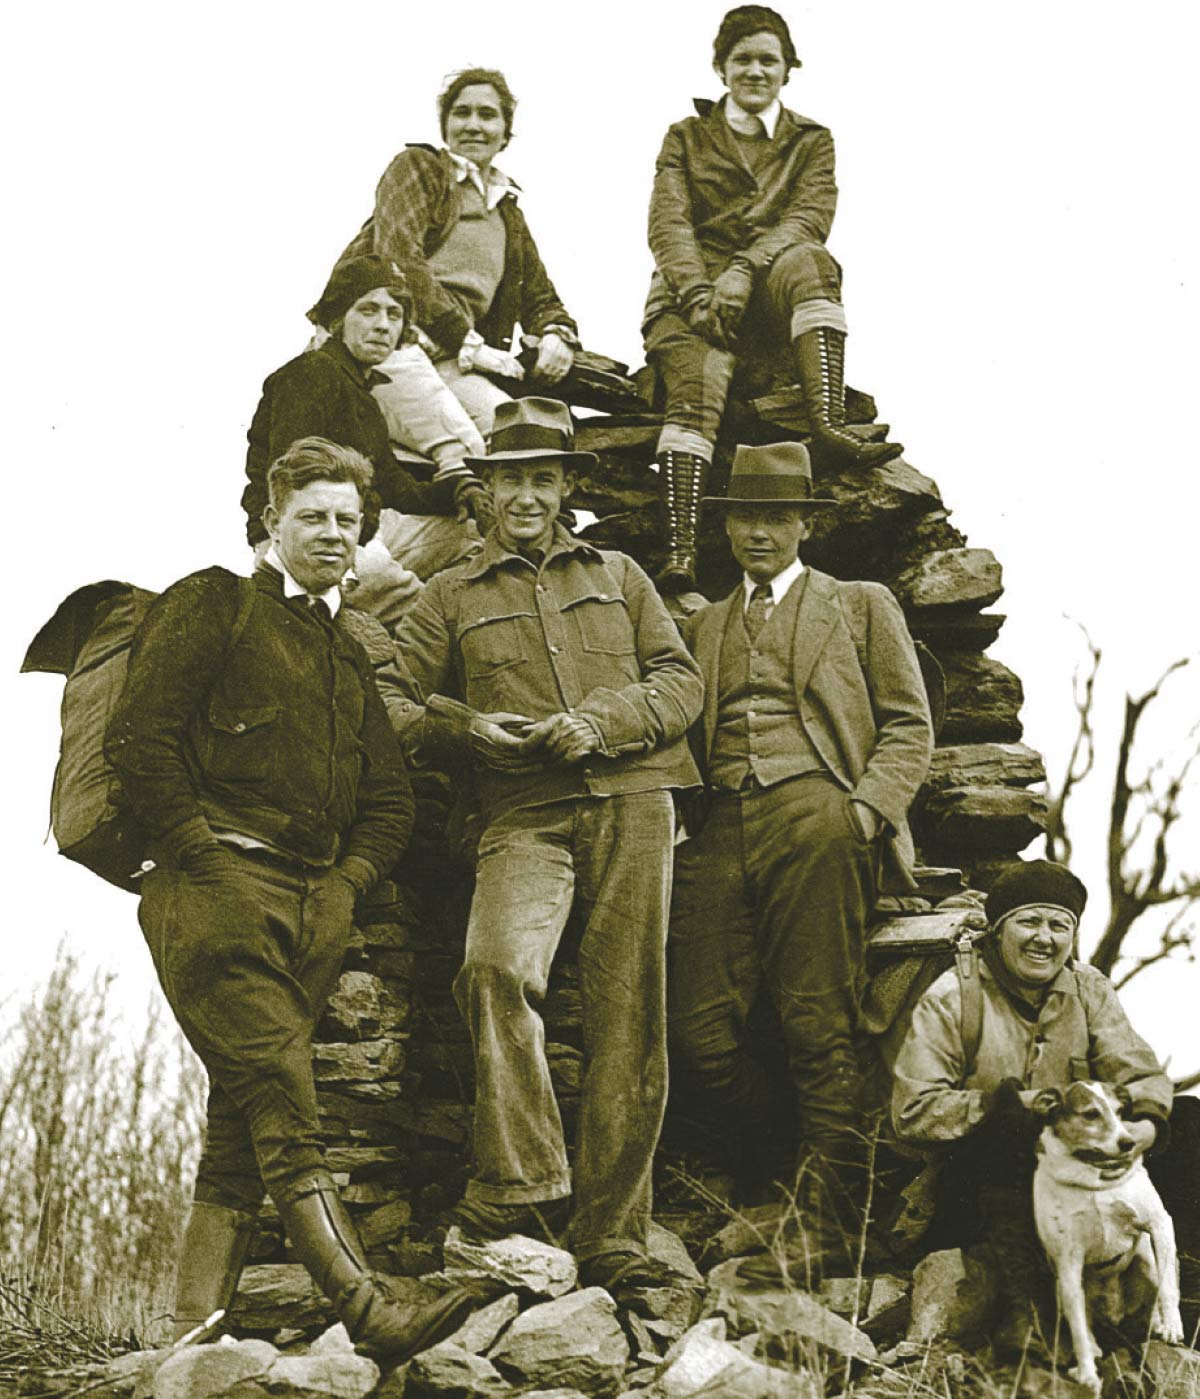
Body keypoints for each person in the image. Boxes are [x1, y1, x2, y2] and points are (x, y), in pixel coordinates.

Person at [105, 438, 477, 1358]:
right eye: (314, 515)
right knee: (283, 1094)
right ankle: (366, 1306)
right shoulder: (215, 603)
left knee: (242, 1120)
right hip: (217, 889)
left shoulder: (347, 651)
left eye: (349, 522)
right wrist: (204, 860)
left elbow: (389, 797)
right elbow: (139, 742)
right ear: (271, 520)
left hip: (315, 907)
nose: (333, 534)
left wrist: (348, 884)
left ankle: (181, 1339)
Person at [382, 397, 704, 1300]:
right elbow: (392, 698)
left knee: (629, 1016)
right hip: (522, 814)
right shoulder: (447, 595)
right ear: (482, 492)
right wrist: (465, 727)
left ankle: (612, 1237)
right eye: (508, 479)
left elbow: (681, 682)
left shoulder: (623, 573)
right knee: (493, 968)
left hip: (635, 801)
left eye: (541, 477)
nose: (525, 494)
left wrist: (598, 723)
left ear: (565, 485)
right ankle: (524, 1185)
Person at [667, 441, 933, 1241]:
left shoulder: (857, 604)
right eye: (747, 516)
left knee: (819, 1021)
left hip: (819, 818)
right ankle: (792, 1154)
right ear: (727, 528)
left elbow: (909, 726)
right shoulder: (706, 624)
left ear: (804, 526)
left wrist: (863, 812)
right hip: (721, 829)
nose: (760, 533)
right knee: (697, 1032)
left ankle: (832, 1215)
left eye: (777, 516)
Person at [643, 5, 903, 591]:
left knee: (811, 262)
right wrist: (697, 293)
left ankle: (829, 422)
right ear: (720, 67)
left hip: (765, 296)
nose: (755, 71)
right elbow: (668, 223)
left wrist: (742, 267)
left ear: (788, 69)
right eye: (743, 59)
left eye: (769, 60)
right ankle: (680, 547)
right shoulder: (685, 137)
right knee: (698, 382)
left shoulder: (812, 141)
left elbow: (809, 217)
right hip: (692, 299)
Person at [891, 860, 1197, 1355]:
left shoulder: (1086, 987)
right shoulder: (954, 996)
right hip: (980, 1173)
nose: (1044, 939)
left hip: (1079, 1168)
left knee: (1189, 1121)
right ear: (999, 929)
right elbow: (913, 1110)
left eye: (1060, 925)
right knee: (1013, 1131)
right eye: (1029, 922)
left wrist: (1146, 1122)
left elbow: (1136, 1070)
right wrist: (1008, 1105)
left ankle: (1182, 1305)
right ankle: (1032, 1325)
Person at [335, 68, 579, 441]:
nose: (473, 125)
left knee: (519, 435)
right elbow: (398, 260)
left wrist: (556, 333)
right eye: (461, 113)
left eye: (487, 114)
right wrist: (465, 338)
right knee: (468, 448)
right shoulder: (422, 169)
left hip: (452, 360)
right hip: (395, 345)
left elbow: (540, 296)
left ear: (505, 132)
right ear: (445, 124)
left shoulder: (506, 212)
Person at [242, 255, 491, 601]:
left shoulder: (364, 394)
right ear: (339, 319)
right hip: (302, 543)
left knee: (470, 536)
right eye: (368, 310)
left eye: (394, 314)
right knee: (424, 617)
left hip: (355, 535)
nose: (383, 325)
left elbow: (394, 487)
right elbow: (293, 481)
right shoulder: (312, 373)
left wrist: (459, 491)